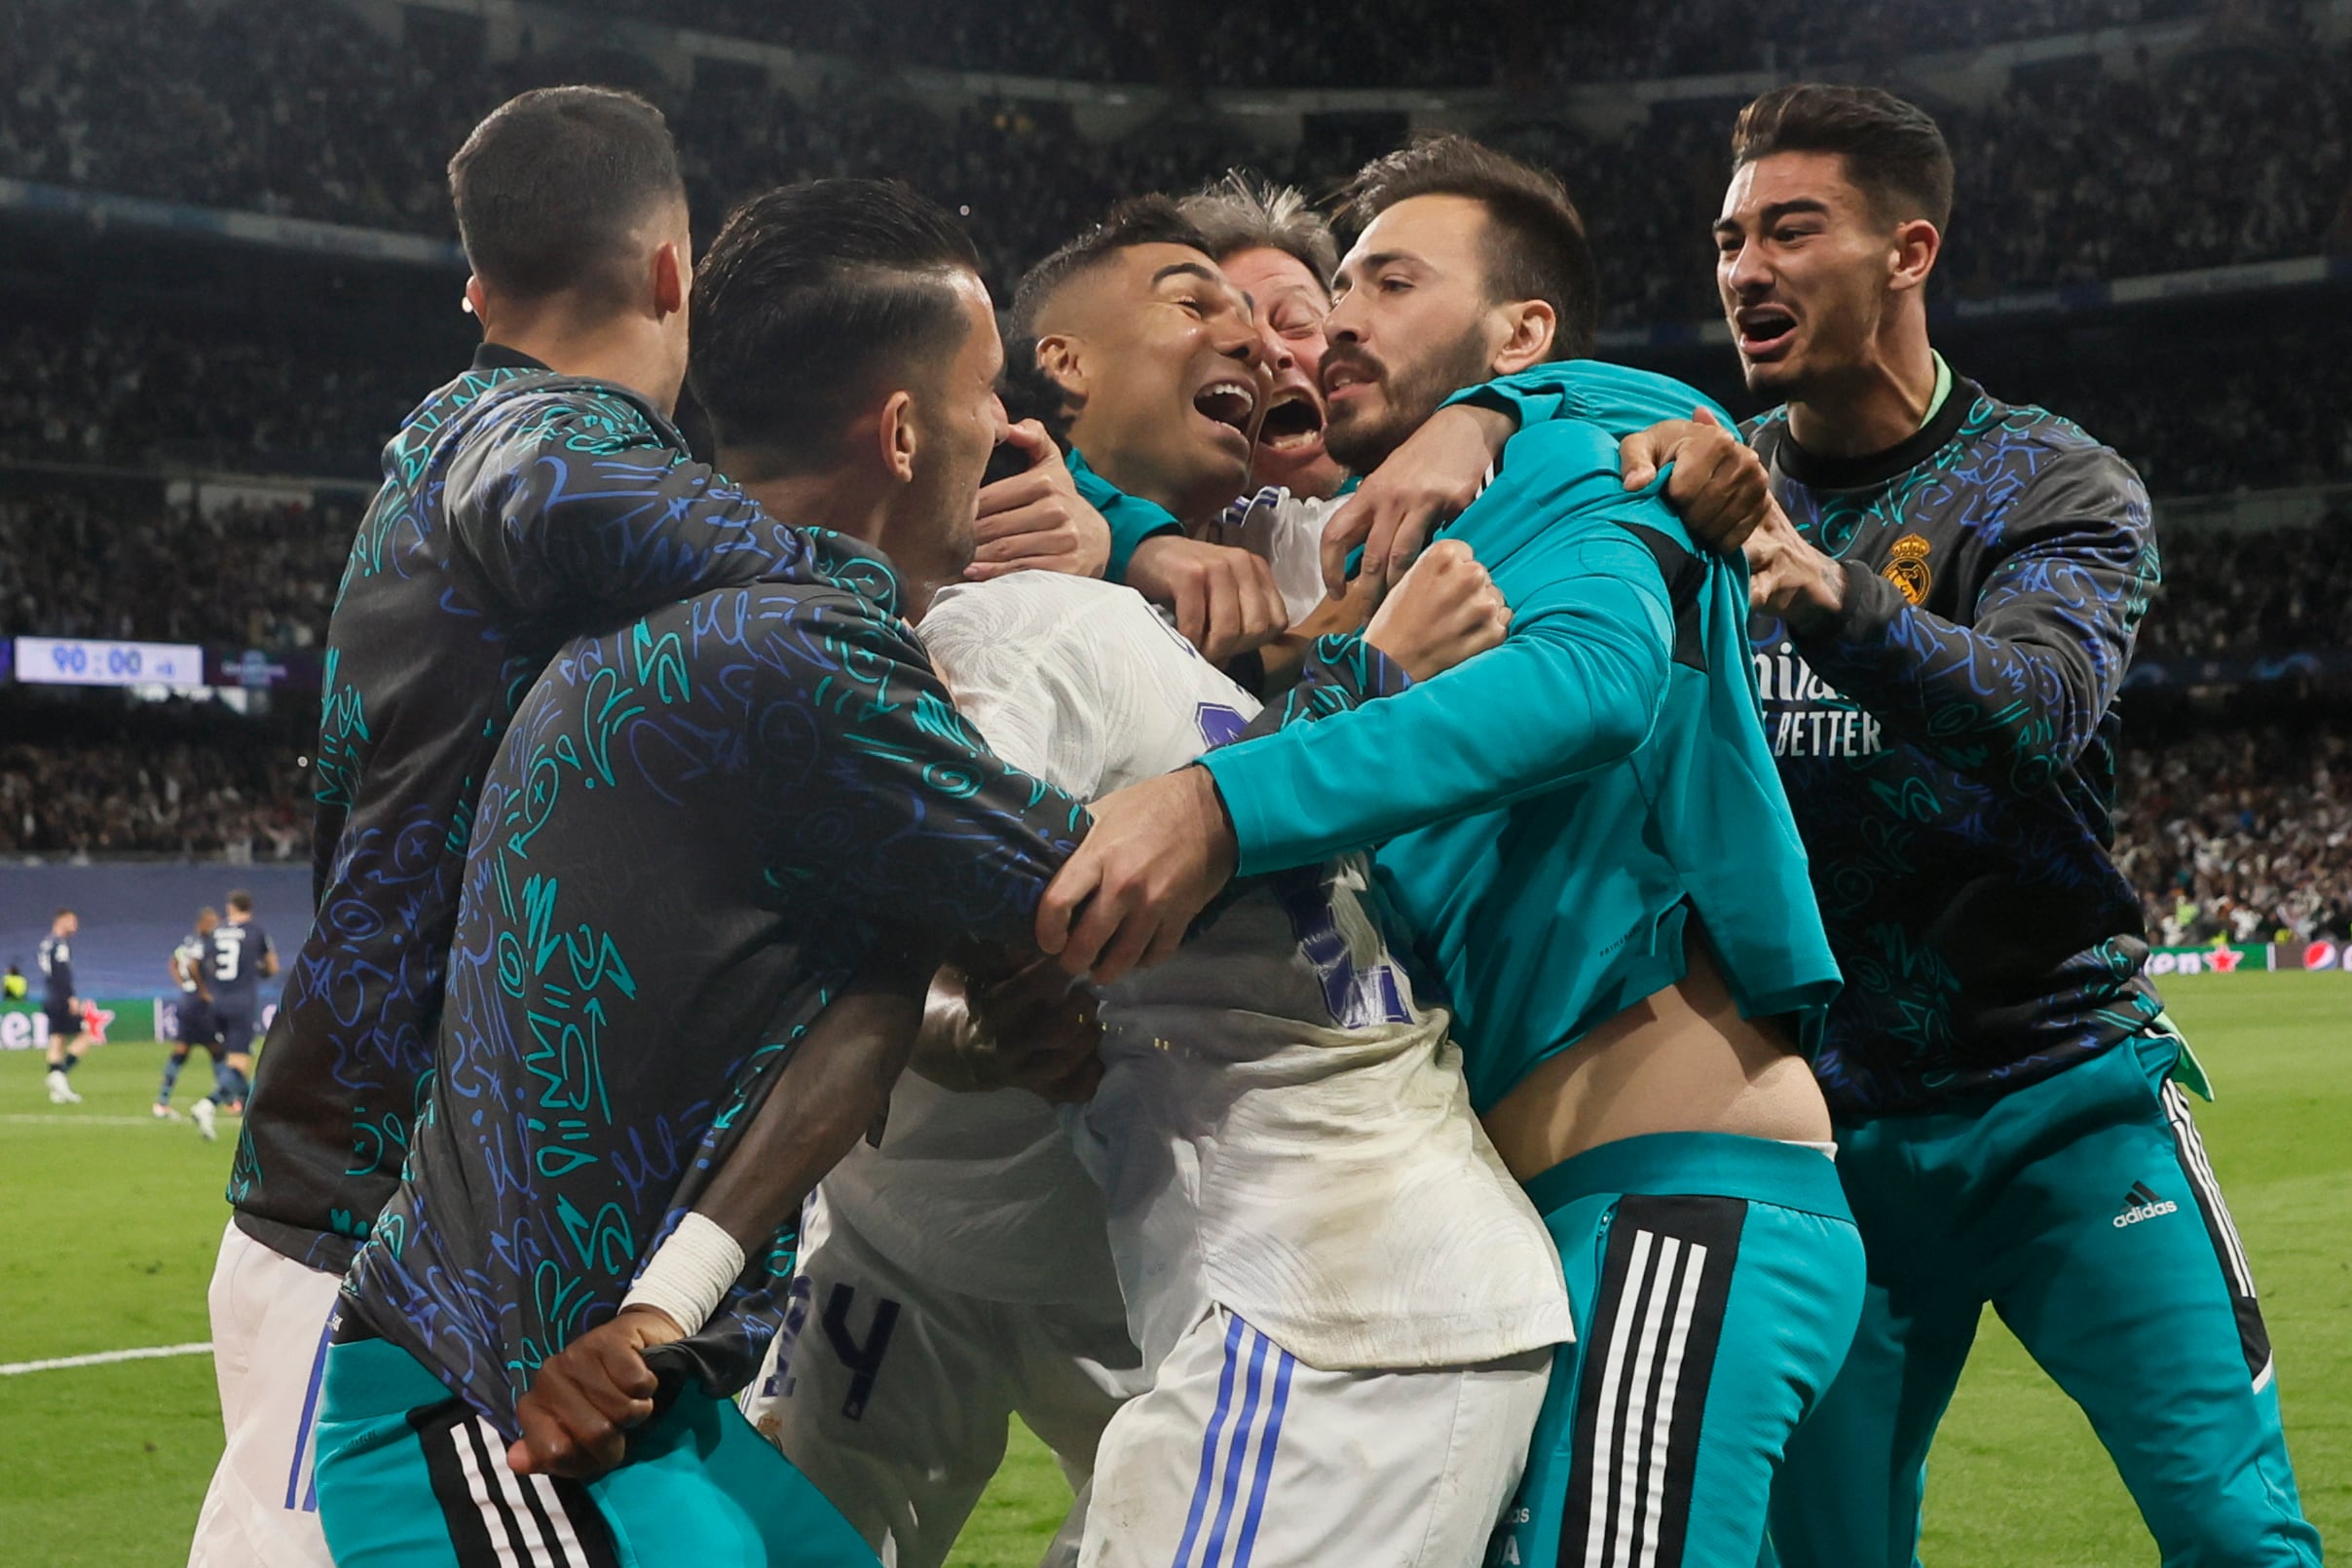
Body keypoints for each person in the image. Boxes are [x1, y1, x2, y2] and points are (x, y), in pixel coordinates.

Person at [1032, 137, 1863, 1568]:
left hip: (1666, 1194)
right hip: (1526, 1234)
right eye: (1328, 288)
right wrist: (1131, 537)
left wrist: (1217, 809)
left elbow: (1590, 679)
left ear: (1519, 332)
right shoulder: (1332, 559)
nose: (1335, 321)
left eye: (1383, 283)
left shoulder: (1567, 451)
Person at [720, 186, 1555, 1568]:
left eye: (1299, 322)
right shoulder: (1022, 609)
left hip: (1207, 1260)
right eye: (1205, 302)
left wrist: (1488, 414)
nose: (1274, 342)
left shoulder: (1295, 562)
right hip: (946, 1226)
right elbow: (888, 919)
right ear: (1043, 375)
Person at [312, 175, 1099, 1568]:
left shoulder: (720, 630)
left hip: (615, 1379)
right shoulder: (798, 651)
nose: (1015, 432)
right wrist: (1350, 655)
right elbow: (1114, 888)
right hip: (495, 1403)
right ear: (904, 431)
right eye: (989, 390)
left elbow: (870, 1000)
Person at [194, 88, 913, 1568]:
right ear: (673, 276)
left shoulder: (478, 453)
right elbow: (555, 488)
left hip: (434, 1225)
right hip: (388, 1243)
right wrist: (851, 592)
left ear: (475, 287)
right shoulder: (521, 429)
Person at [1636, 84, 2316, 1567]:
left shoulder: (2049, 479)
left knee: (2230, 1530)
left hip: (2060, 1101)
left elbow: (2036, 704)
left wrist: (1819, 585)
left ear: (1905, 249)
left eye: (1788, 229)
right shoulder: (1697, 492)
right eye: (1725, 237)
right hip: (1827, 1140)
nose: (1742, 267)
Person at [192, 889, 276, 1139]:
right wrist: (258, 970)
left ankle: (256, 1115)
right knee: (240, 1063)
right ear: (248, 907)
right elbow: (272, 967)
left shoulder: (215, 932)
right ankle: (207, 1104)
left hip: (216, 1003)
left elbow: (196, 962)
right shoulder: (256, 932)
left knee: (235, 1062)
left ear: (230, 907)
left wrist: (206, 990)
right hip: (241, 1003)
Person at [157, 907, 222, 1123]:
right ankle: (231, 1100)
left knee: (181, 1051)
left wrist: (182, 984)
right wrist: (203, 990)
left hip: (186, 1001)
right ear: (202, 923)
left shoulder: (187, 942)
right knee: (217, 1050)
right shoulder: (202, 943)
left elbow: (173, 962)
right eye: (212, 922)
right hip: (198, 1004)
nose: (215, 926)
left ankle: (161, 1102)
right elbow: (193, 965)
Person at [37, 909, 89, 1104]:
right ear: (61, 921)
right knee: (86, 1035)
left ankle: (57, 1092)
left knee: (56, 1040)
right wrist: (71, 998)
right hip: (61, 997)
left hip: (49, 995)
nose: (76, 926)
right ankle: (59, 1076)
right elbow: (61, 973)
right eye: (72, 921)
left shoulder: (45, 943)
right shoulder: (60, 945)